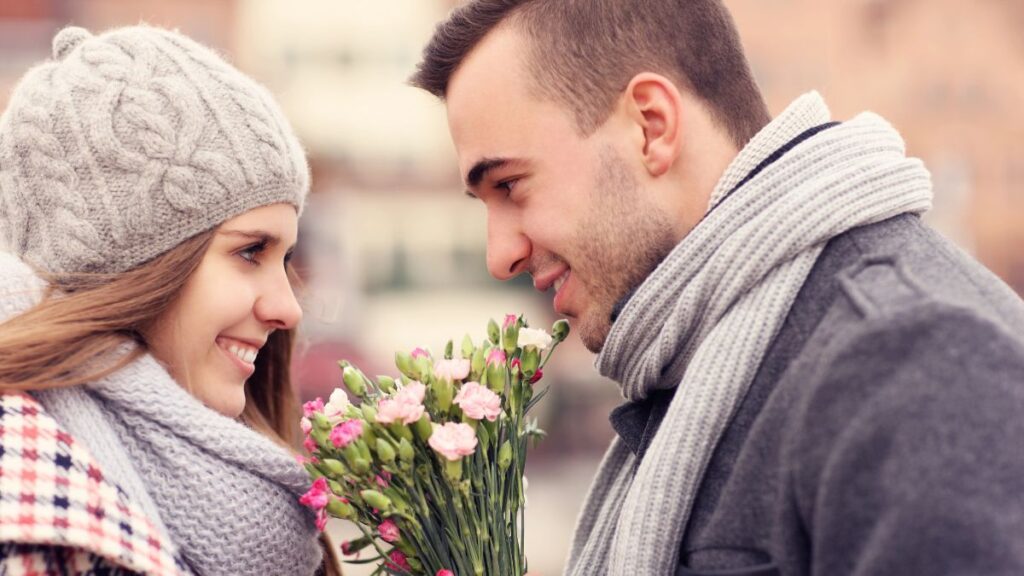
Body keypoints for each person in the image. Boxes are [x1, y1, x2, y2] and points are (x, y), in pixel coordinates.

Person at [411, 1, 1024, 574]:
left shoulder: (912, 360)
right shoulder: (694, 367)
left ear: (651, 127)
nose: (500, 256)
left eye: (510, 186)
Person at [0, 25, 338, 575]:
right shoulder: (39, 518)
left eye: (286, 258)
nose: (288, 308)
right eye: (251, 250)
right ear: (125, 263)